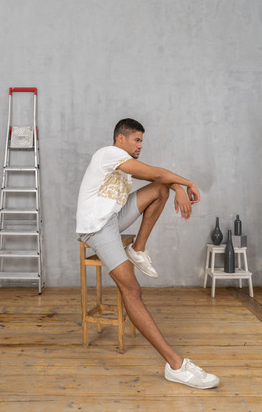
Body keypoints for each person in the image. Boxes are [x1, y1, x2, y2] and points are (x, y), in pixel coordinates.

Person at [76, 118, 220, 389]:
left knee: (161, 189)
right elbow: (154, 173)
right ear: (121, 139)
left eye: (142, 141)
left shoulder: (123, 163)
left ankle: (137, 249)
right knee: (132, 290)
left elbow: (158, 181)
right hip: (96, 228)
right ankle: (175, 365)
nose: (141, 145)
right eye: (137, 140)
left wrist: (175, 188)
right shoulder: (109, 154)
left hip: (114, 218)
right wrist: (186, 182)